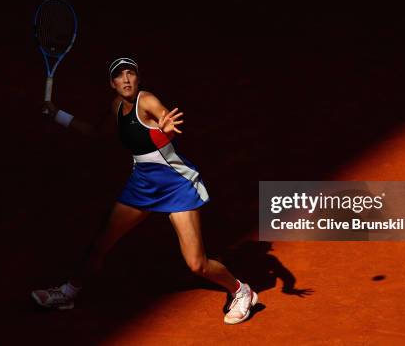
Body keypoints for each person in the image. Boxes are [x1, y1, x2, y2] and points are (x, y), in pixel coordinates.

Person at [31, 57, 258, 324]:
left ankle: (241, 291)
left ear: (138, 79)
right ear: (112, 83)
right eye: (120, 75)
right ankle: (68, 292)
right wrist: (57, 114)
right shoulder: (116, 106)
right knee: (101, 242)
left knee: (197, 264)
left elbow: (162, 116)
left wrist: (166, 128)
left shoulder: (147, 100)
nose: (126, 80)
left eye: (131, 74)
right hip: (142, 184)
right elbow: (96, 133)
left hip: (176, 186)